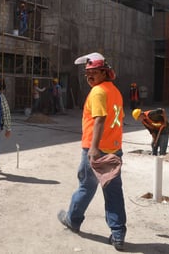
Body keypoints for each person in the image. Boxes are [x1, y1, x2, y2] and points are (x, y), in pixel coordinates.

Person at [57, 52, 127, 251]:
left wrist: (94, 148)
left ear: (105, 72)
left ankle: (73, 219)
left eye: (94, 72)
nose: (89, 76)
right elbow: (118, 119)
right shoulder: (114, 91)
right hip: (114, 149)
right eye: (87, 73)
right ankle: (118, 234)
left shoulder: (97, 92)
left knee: (86, 187)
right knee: (113, 192)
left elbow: (100, 119)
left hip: (96, 149)